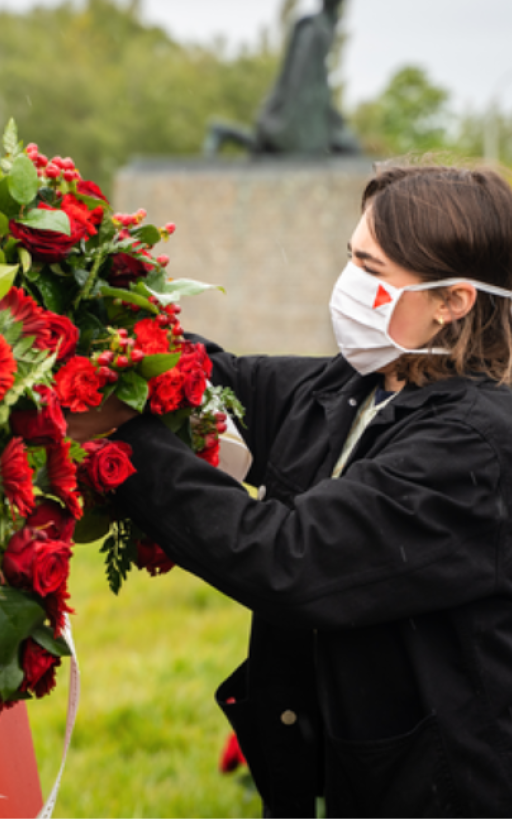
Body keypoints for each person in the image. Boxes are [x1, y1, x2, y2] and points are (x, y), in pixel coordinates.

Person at [68, 164, 512, 817]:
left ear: (454, 301)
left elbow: (291, 559)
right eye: (350, 259)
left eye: (373, 269)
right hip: (352, 771)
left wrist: (125, 440)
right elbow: (217, 381)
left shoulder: (475, 448)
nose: (350, 285)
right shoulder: (350, 389)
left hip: (445, 791)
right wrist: (91, 327)